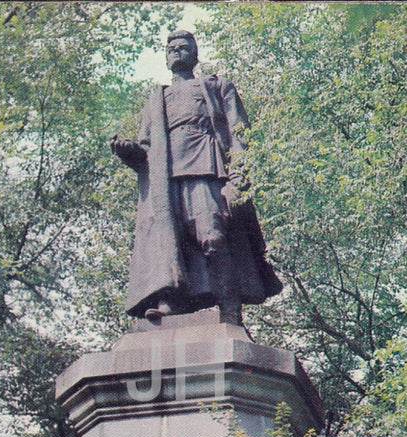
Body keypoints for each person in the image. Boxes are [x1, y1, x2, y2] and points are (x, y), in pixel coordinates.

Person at [111, 30, 282, 321]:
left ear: (195, 55)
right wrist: (128, 151)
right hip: (166, 181)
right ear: (166, 58)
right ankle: (173, 301)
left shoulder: (217, 86)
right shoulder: (157, 99)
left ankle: (229, 306)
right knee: (171, 241)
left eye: (184, 47)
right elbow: (146, 150)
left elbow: (239, 133)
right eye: (172, 49)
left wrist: (238, 175)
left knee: (212, 236)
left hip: (208, 170)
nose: (177, 52)